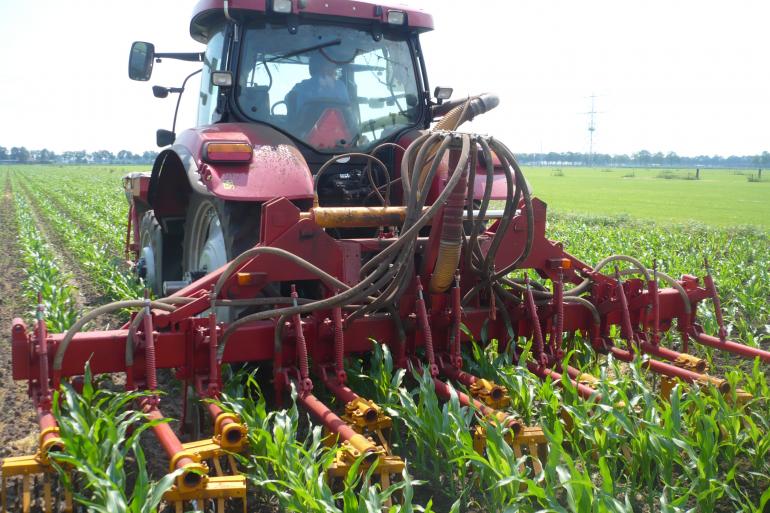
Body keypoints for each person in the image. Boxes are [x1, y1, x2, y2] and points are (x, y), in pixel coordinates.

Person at [286, 52, 351, 130]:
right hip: (340, 136)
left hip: (303, 135)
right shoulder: (341, 86)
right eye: (332, 64)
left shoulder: (301, 87)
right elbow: (348, 114)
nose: (335, 67)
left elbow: (289, 100)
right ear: (324, 66)